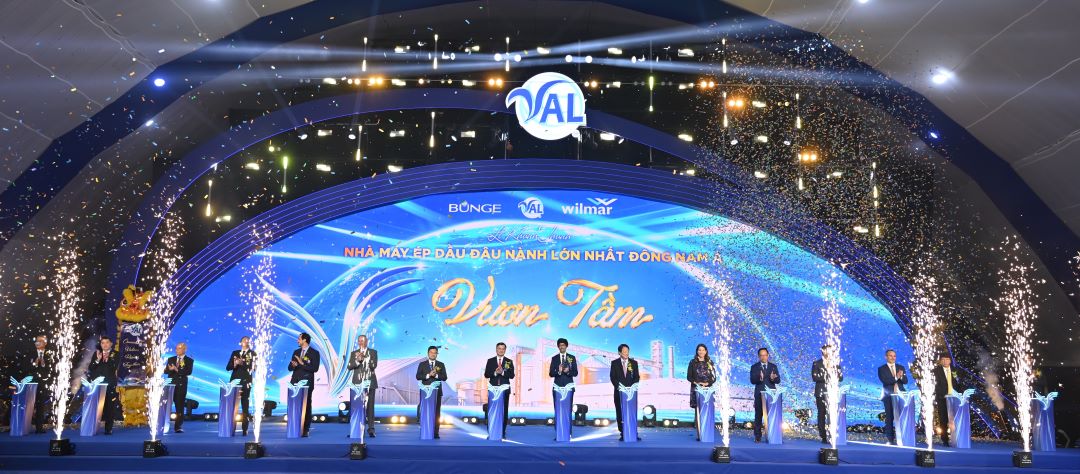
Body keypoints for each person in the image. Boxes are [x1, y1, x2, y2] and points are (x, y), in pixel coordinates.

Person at [288, 332, 321, 437]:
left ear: (305, 340)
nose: (297, 340)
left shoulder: (314, 353)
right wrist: (294, 365)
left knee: (306, 405)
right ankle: (294, 426)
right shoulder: (296, 352)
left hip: (307, 382)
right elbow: (289, 368)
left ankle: (305, 428)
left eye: (299, 339)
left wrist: (302, 364)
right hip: (295, 382)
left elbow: (315, 368)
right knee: (294, 405)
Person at [346, 334, 378, 438]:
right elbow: (349, 366)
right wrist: (358, 360)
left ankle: (371, 429)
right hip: (357, 385)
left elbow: (373, 366)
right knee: (357, 407)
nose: (361, 342)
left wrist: (365, 359)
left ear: (366, 341)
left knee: (370, 407)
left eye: (362, 340)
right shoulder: (353, 353)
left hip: (369, 383)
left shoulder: (373, 352)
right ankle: (356, 429)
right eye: (359, 341)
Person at [811, 345, 844, 444]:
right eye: (827, 350)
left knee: (832, 414)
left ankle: (832, 434)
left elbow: (841, 378)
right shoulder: (817, 363)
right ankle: (823, 436)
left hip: (832, 393)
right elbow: (815, 377)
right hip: (821, 392)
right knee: (821, 413)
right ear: (823, 351)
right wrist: (829, 376)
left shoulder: (836, 363)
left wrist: (835, 375)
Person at [87, 336, 120, 435]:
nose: (105, 345)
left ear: (111, 344)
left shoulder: (115, 354)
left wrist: (107, 358)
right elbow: (91, 368)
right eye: (102, 343)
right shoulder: (97, 353)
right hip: (97, 384)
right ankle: (93, 427)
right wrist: (97, 360)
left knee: (110, 407)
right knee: (96, 406)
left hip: (109, 383)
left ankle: (108, 429)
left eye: (107, 342)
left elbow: (113, 367)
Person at [609, 343, 641, 442]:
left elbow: (637, 377)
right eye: (624, 351)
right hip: (619, 392)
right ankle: (623, 433)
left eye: (627, 351)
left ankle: (633, 432)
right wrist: (620, 388)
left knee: (631, 412)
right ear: (619, 353)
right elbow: (613, 377)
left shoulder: (634, 363)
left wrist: (632, 387)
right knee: (620, 412)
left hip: (631, 393)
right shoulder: (614, 363)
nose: (626, 353)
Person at [877, 348, 909, 445]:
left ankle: (903, 438)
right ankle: (890, 439)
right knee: (890, 417)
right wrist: (896, 377)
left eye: (894, 356)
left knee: (902, 416)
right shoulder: (881, 369)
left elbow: (905, 381)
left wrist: (901, 376)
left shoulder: (900, 367)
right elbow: (886, 381)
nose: (893, 357)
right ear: (886, 357)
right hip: (888, 395)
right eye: (890, 356)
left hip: (901, 395)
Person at [484, 342, 515, 439]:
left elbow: (512, 375)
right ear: (496, 349)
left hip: (504, 390)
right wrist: (495, 373)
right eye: (499, 348)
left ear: (505, 350)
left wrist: (503, 372)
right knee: (491, 411)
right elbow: (486, 374)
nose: (501, 350)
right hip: (493, 390)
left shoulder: (508, 361)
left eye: (503, 349)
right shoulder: (490, 361)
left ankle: (502, 432)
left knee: (504, 411)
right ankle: (491, 432)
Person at [415, 346, 448, 438]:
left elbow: (444, 377)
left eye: (435, 353)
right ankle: (425, 430)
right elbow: (418, 376)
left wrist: (436, 375)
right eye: (431, 352)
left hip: (437, 392)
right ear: (428, 353)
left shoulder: (440, 364)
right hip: (425, 392)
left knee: (436, 413)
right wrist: (428, 375)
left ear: (437, 354)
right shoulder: (422, 364)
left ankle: (435, 432)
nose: (433, 354)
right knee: (424, 411)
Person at [225, 336, 255, 436]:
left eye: (247, 341)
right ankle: (230, 428)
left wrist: (242, 363)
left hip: (246, 382)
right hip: (235, 382)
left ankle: (244, 429)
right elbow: (228, 367)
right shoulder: (235, 353)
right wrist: (235, 364)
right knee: (232, 406)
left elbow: (253, 368)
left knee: (245, 406)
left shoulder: (253, 353)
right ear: (240, 343)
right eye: (244, 341)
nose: (246, 342)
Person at [548, 338, 578, 438]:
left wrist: (568, 371)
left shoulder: (572, 358)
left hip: (568, 387)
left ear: (566, 346)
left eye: (563, 345)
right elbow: (551, 373)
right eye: (560, 345)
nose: (562, 347)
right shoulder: (554, 358)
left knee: (568, 410)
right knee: (558, 410)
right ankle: (559, 433)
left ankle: (568, 433)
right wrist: (559, 371)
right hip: (557, 388)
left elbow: (575, 373)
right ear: (558, 347)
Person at [750, 347, 780, 443]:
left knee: (771, 415)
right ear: (759, 356)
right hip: (759, 394)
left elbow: (778, 380)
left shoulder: (773, 366)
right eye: (761, 355)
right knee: (758, 415)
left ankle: (772, 434)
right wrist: (760, 378)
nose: (763, 357)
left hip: (771, 395)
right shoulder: (754, 367)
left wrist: (773, 378)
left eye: (765, 355)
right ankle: (757, 436)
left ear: (768, 355)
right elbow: (752, 380)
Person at [686, 343, 716, 440]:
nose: (701, 352)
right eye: (699, 350)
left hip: (708, 390)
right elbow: (689, 377)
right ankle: (700, 434)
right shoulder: (693, 362)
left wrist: (708, 383)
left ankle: (708, 433)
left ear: (706, 351)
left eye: (703, 350)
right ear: (697, 351)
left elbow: (714, 377)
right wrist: (698, 383)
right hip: (697, 389)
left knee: (708, 411)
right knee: (698, 411)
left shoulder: (710, 362)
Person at [163, 342, 194, 433]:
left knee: (179, 406)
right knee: (166, 405)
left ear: (184, 349)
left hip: (181, 386)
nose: (177, 350)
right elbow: (166, 371)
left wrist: (176, 369)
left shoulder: (189, 360)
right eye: (176, 348)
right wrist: (169, 369)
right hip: (171, 386)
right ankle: (163, 425)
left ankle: (178, 426)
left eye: (179, 348)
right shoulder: (171, 359)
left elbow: (188, 372)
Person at [25, 335, 53, 434]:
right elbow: (26, 367)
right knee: (28, 404)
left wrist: (43, 363)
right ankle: (25, 426)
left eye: (40, 341)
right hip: (31, 382)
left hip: (42, 383)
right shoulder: (31, 353)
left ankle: (39, 427)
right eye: (37, 341)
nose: (38, 343)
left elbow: (51, 369)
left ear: (45, 343)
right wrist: (35, 363)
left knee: (40, 405)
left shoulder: (49, 354)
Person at [933, 352, 960, 446]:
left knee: (955, 419)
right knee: (943, 419)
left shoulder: (955, 370)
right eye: (943, 359)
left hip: (955, 398)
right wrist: (943, 394)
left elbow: (958, 383)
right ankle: (945, 440)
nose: (945, 361)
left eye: (947, 359)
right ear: (940, 361)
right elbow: (935, 385)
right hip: (942, 398)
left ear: (950, 361)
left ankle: (956, 438)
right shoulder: (936, 371)